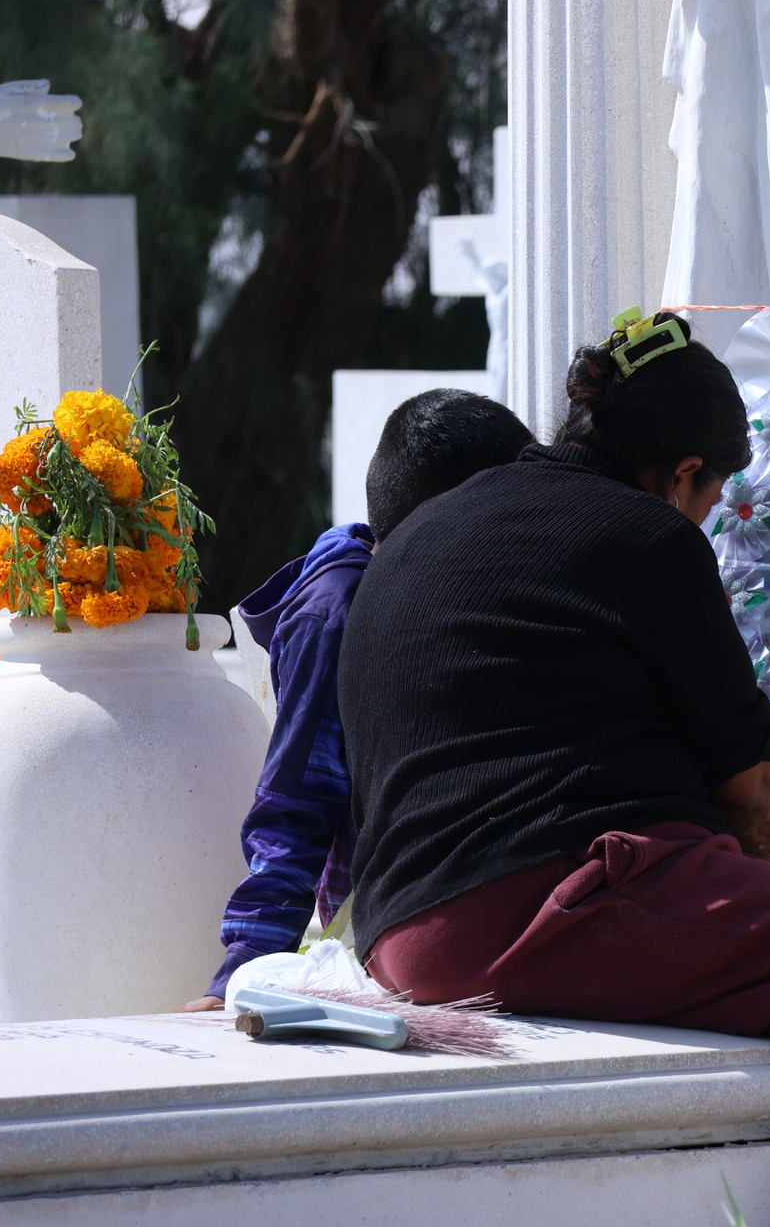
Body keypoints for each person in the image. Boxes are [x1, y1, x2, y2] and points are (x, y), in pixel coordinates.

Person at [337, 311, 770, 1227]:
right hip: (531, 909)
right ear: (686, 471)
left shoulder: (421, 534)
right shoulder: (646, 537)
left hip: (400, 934)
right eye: (712, 492)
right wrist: (736, 813)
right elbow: (754, 792)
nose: (705, 514)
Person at [181, 389, 535, 1012]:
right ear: (455, 515)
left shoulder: (446, 586)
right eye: (504, 509)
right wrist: (243, 967)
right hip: (386, 927)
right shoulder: (338, 613)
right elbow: (297, 799)